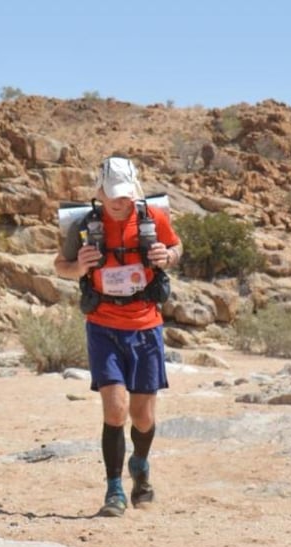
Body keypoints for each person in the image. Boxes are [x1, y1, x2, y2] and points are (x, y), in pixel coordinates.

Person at [53, 155, 182, 517]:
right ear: (99, 191)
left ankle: (139, 466)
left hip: (145, 327)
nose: (119, 201)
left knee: (142, 417)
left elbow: (177, 247)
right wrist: (78, 266)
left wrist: (167, 256)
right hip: (103, 325)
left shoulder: (152, 220)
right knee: (115, 410)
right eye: (112, 194)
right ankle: (114, 491)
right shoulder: (83, 225)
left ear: (135, 192)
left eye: (125, 195)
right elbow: (59, 265)